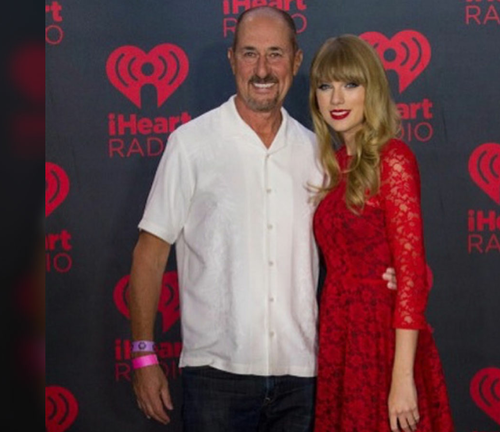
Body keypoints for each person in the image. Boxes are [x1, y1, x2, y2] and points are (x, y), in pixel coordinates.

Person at [126, 9, 396, 432]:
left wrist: (381, 274)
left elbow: (347, 244)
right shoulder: (190, 145)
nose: (263, 70)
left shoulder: (319, 154)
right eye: (250, 54)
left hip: (303, 378)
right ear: (232, 59)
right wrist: (143, 356)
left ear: (296, 60)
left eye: (275, 54)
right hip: (215, 377)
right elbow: (150, 252)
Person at [309, 35, 455, 432]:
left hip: (382, 337)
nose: (336, 98)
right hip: (338, 331)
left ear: (371, 90)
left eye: (350, 84)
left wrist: (402, 377)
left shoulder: (393, 159)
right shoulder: (333, 165)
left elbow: (411, 276)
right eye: (325, 86)